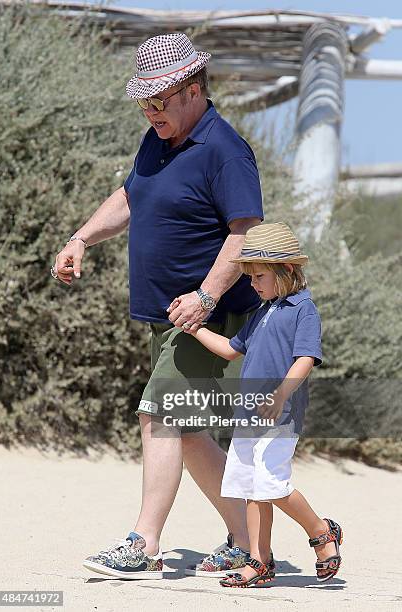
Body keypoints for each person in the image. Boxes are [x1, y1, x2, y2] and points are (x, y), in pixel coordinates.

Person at [52, 33, 265, 579]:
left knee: (160, 415)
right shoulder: (159, 139)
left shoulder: (224, 148)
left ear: (193, 90)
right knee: (189, 430)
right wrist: (81, 238)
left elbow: (246, 233)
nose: (151, 111)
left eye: (160, 100)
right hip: (168, 315)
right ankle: (247, 542)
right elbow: (130, 196)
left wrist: (206, 295)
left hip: (207, 316)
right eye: (144, 102)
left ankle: (143, 543)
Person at [182, 222, 344, 587]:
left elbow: (305, 357)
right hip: (249, 413)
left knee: (271, 484)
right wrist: (194, 328)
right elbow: (229, 349)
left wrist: (282, 394)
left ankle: (321, 533)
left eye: (258, 276)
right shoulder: (262, 312)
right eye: (250, 276)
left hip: (281, 413)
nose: (252, 283)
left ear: (286, 270)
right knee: (252, 488)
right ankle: (259, 562)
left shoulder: (304, 309)